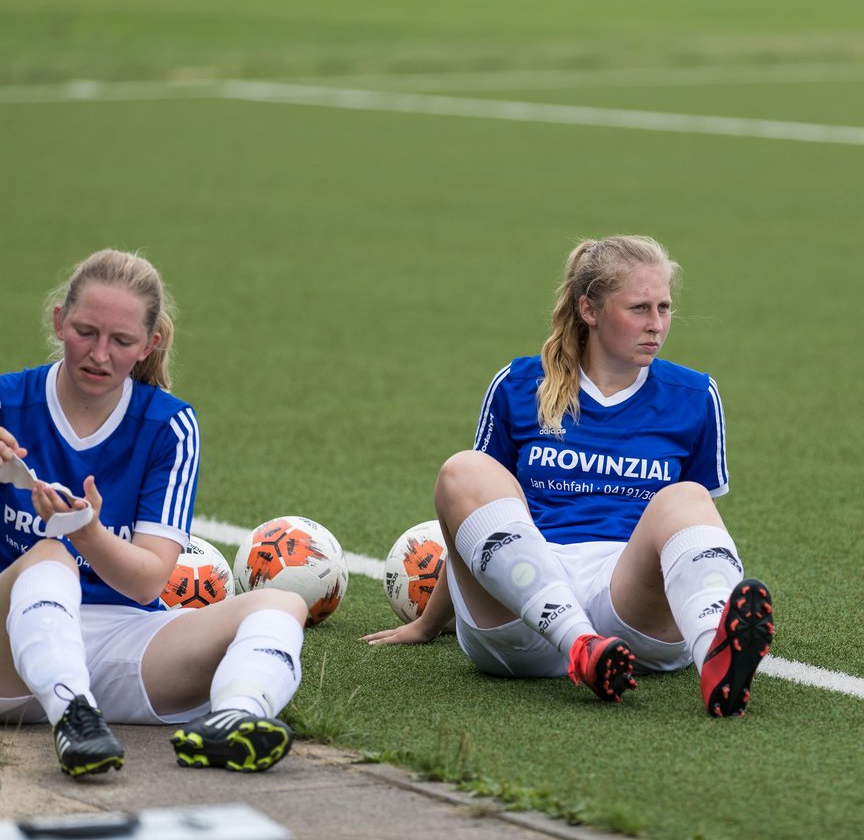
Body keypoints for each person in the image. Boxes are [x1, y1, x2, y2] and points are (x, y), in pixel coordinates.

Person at [363, 235, 774, 717]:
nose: (657, 325)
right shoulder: (519, 384)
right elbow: (468, 523)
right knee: (464, 470)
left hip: (628, 606)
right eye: (639, 308)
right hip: (522, 610)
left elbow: (690, 533)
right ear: (589, 309)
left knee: (686, 497)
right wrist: (429, 623)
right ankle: (579, 644)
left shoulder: (695, 395)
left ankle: (715, 654)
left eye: (664, 307)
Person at [0, 249, 309, 778]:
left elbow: (146, 584)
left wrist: (88, 530)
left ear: (150, 343)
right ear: (58, 321)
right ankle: (73, 714)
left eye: (121, 341)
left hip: (122, 645)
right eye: (85, 332)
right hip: (11, 650)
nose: (99, 354)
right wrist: (66, 537)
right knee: (50, 553)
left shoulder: (169, 425)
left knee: (280, 601)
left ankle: (238, 716)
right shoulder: (7, 401)